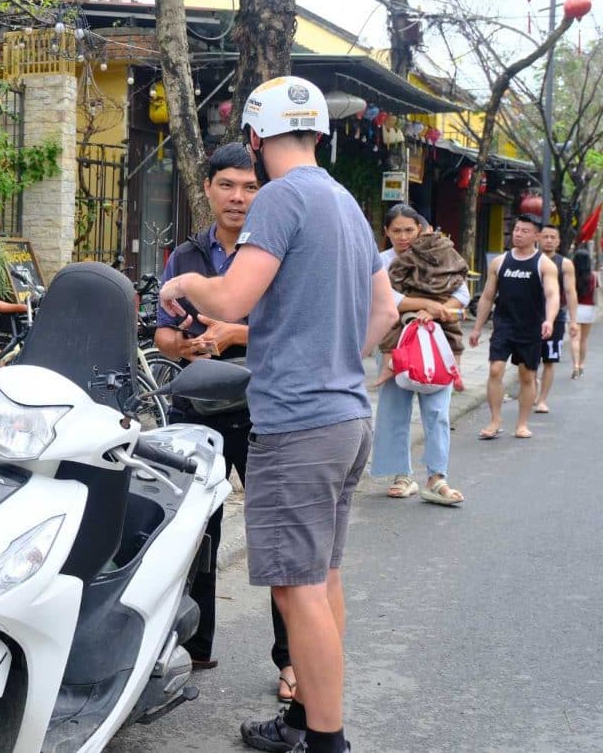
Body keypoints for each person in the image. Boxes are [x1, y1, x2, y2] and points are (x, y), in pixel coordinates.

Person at [160, 76, 398, 753]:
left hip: (298, 424)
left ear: (255, 137)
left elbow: (231, 300)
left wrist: (184, 282)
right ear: (319, 133)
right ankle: (303, 720)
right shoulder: (346, 203)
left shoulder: (282, 197)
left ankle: (326, 741)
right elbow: (385, 309)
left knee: (299, 591)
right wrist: (336, 359)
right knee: (321, 580)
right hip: (346, 416)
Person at [154, 142, 295, 702]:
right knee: (194, 533)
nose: (238, 197)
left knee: (278, 539)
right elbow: (162, 333)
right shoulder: (185, 256)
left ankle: (292, 661)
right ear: (208, 189)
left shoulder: (276, 251)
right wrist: (185, 346)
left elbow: (296, 329)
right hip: (197, 408)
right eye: (228, 185)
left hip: (266, 406)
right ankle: (194, 645)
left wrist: (235, 333)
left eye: (250, 186)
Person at [369, 204, 467, 506]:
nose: (403, 236)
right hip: (394, 342)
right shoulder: (380, 261)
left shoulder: (439, 255)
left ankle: (437, 478)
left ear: (421, 229)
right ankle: (401, 475)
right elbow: (385, 299)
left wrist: (436, 311)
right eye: (396, 230)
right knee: (393, 408)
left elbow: (462, 294)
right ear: (386, 232)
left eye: (409, 230)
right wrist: (426, 304)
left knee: (437, 411)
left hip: (435, 341)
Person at [468, 214, 560, 439]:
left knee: (527, 376)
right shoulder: (500, 262)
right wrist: (477, 328)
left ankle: (522, 424)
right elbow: (487, 296)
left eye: (524, 231)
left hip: (531, 328)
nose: (518, 234)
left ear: (536, 236)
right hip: (504, 325)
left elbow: (552, 295)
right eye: (516, 229)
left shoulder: (544, 264)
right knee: (495, 369)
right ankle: (495, 420)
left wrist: (549, 320)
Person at [534, 225, 579, 412]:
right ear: (538, 238)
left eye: (553, 237)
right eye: (545, 236)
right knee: (527, 360)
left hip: (556, 317)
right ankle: (532, 388)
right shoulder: (531, 259)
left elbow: (570, 292)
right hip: (530, 316)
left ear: (559, 241)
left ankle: (542, 400)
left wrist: (573, 321)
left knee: (549, 360)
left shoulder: (565, 264)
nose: (549, 240)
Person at [571, 248, 596, 378]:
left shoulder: (571, 276)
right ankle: (582, 365)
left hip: (574, 309)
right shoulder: (593, 276)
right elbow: (596, 292)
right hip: (588, 309)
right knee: (584, 340)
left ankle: (575, 366)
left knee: (574, 339)